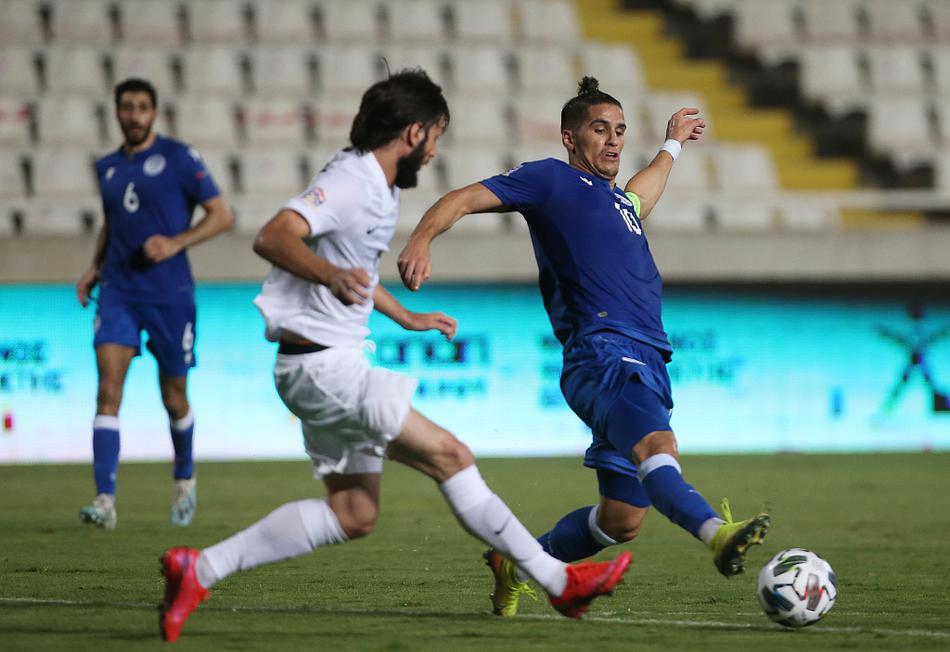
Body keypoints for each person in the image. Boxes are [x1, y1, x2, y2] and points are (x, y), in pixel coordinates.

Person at [158, 69, 631, 643]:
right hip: (324, 367)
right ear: (413, 132)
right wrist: (328, 275)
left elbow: (353, 271)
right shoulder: (354, 180)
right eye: (435, 137)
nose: (434, 152)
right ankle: (560, 582)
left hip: (320, 365)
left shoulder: (379, 187)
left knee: (353, 513)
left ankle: (199, 569)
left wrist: (403, 316)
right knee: (451, 456)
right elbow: (274, 236)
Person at [397, 77, 771, 617]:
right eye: (600, 129)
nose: (614, 139)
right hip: (603, 352)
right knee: (658, 446)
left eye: (620, 130)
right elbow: (462, 198)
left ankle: (516, 563)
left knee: (621, 520)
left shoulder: (620, 202)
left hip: (648, 356)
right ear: (570, 138)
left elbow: (644, 192)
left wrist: (672, 143)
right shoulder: (550, 180)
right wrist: (421, 238)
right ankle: (717, 533)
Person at [76, 78, 234, 530]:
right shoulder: (107, 167)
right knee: (108, 391)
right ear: (116, 112)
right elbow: (112, 222)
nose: (134, 115)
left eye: (142, 107)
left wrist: (175, 243)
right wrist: (94, 267)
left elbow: (222, 215)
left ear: (154, 112)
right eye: (127, 107)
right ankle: (104, 500)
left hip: (169, 295)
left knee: (174, 396)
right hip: (119, 291)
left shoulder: (180, 158)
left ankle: (184, 477)